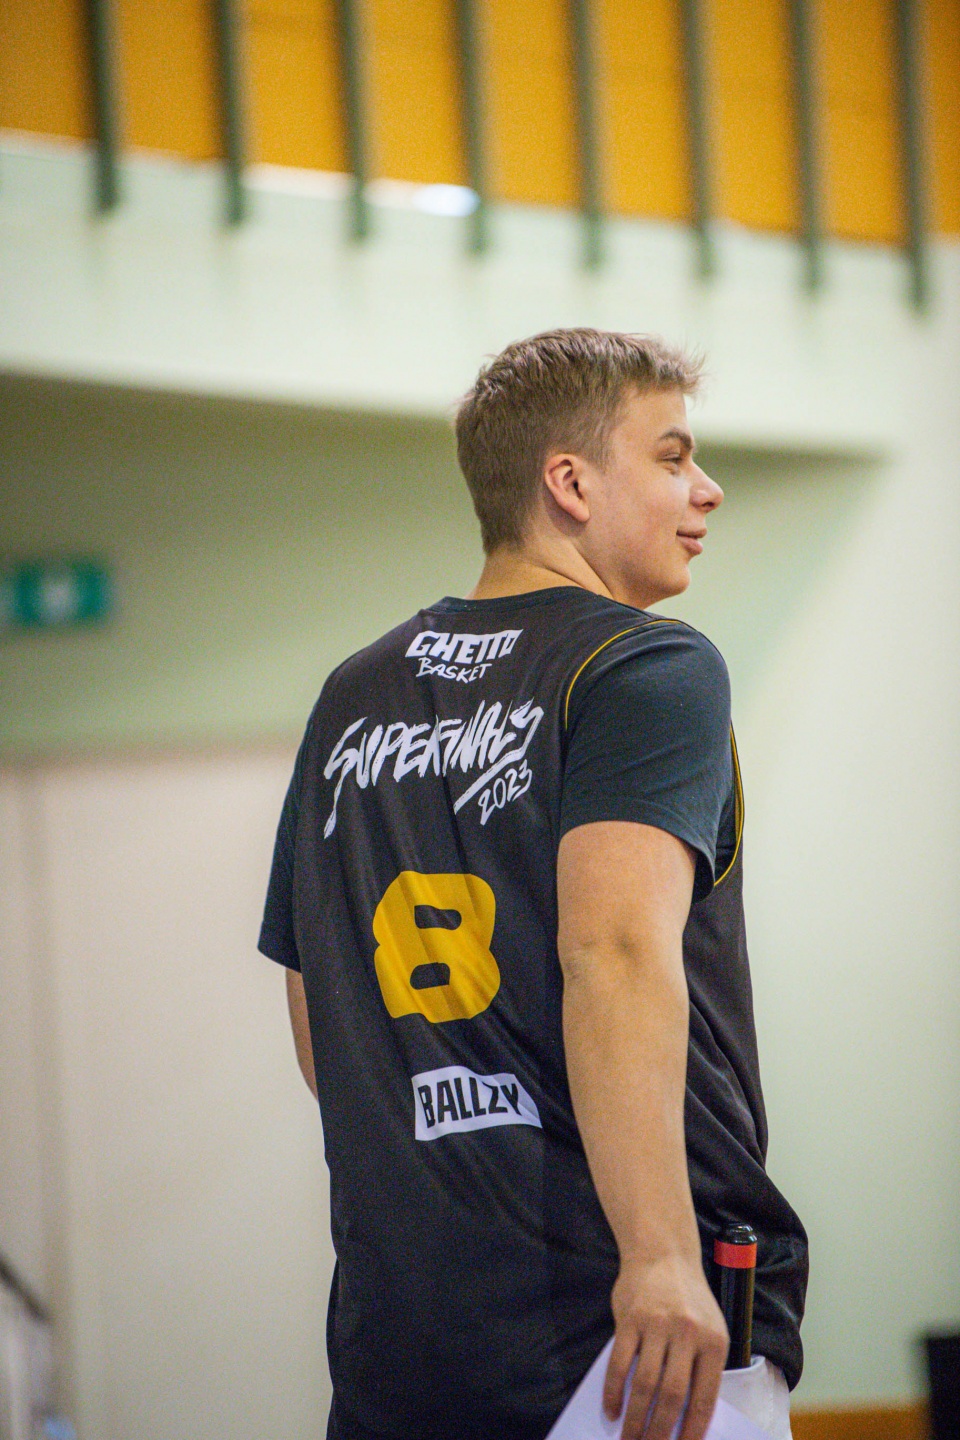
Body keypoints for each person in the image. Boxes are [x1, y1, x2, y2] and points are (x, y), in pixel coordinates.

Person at [258, 328, 808, 1440]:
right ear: (571, 483)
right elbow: (613, 949)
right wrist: (660, 1254)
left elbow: (322, 1013)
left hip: (402, 1336)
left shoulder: (351, 696)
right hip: (623, 1334)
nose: (705, 488)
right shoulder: (646, 665)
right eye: (672, 456)